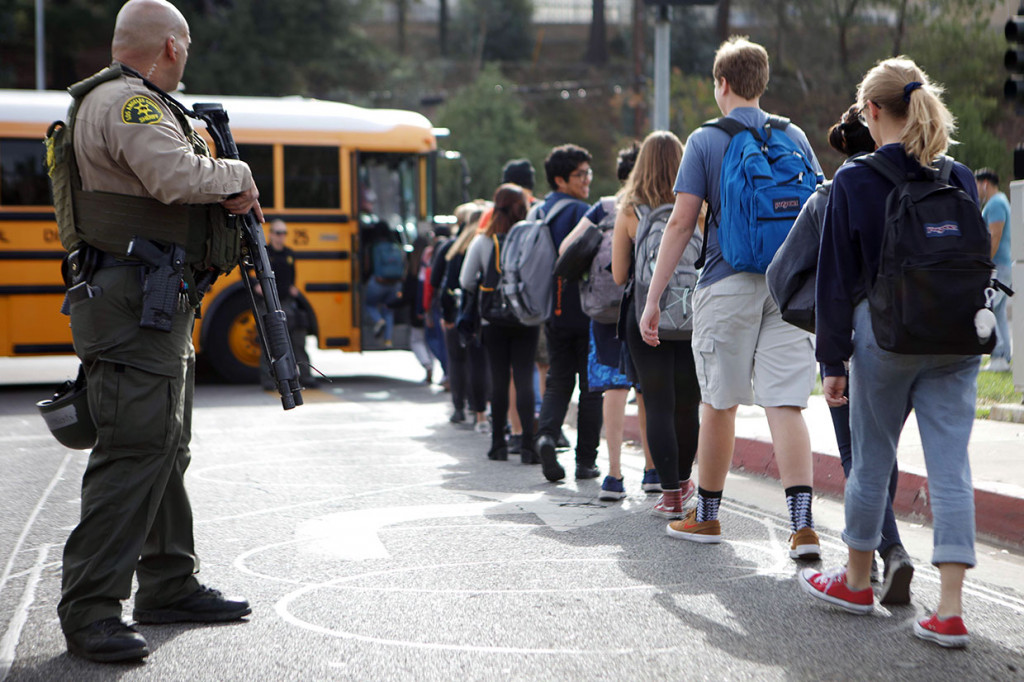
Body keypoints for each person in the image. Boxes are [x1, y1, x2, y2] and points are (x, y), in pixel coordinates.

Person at [54, 0, 257, 663]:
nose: (186, 55)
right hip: (133, 302)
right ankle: (91, 610)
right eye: (187, 45)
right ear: (171, 45)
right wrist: (238, 174)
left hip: (153, 301)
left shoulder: (126, 100)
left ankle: (169, 583)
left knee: (165, 447)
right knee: (134, 451)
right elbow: (174, 176)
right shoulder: (131, 103)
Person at [800, 57, 982, 649]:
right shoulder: (956, 175)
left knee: (872, 459)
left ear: (872, 111)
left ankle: (856, 582)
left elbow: (834, 279)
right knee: (951, 467)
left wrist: (832, 362)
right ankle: (949, 611)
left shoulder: (854, 178)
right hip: (956, 338)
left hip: (884, 337)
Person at [639, 37, 824, 559]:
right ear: (762, 82)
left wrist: (653, 298)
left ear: (721, 83)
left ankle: (707, 516)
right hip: (789, 286)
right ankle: (803, 527)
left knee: (719, 404)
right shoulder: (794, 136)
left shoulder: (705, 140)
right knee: (785, 403)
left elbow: (681, 224)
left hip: (726, 282)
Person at [769, 106, 915, 601]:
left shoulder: (828, 196)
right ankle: (870, 555)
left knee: (859, 454)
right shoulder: (921, 183)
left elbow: (780, 275)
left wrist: (821, 328)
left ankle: (888, 551)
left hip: (851, 342)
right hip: (915, 337)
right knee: (883, 450)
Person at [560, 142, 661, 499]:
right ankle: (652, 470)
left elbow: (567, 249)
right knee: (645, 388)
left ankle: (614, 475)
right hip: (648, 308)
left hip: (605, 311)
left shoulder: (604, 207)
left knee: (613, 389)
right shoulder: (662, 207)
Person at [612, 131, 702, 515]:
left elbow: (619, 275)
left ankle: (670, 496)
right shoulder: (701, 207)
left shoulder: (630, 211)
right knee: (689, 404)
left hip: (646, 317)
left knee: (658, 403)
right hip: (694, 314)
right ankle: (684, 481)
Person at [533, 144, 604, 482]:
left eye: (588, 172)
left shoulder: (538, 212)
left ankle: (546, 436)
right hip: (583, 309)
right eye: (580, 174)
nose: (587, 179)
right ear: (560, 179)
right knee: (591, 386)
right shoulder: (581, 212)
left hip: (552, 309)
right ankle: (585, 461)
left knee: (558, 380)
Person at [459, 184, 539, 462]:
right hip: (526, 316)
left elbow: (466, 281)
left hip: (492, 319)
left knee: (499, 378)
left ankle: (498, 445)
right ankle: (528, 446)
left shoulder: (483, 241)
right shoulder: (531, 238)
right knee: (524, 377)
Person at [433, 203, 489, 428]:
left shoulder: (453, 248)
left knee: (457, 361)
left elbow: (441, 283)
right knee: (479, 362)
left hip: (457, 311)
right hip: (480, 313)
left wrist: (446, 315)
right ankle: (479, 409)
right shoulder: (487, 243)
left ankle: (459, 407)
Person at [257, 219, 313, 389]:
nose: (281, 236)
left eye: (284, 233)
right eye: (278, 232)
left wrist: (292, 288)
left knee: (297, 339)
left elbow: (291, 276)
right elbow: (248, 271)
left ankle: (303, 376)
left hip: (286, 301)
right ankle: (269, 380)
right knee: (269, 342)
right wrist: (255, 285)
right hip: (268, 302)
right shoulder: (263, 253)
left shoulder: (289, 254)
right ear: (271, 234)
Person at [975, 168, 1013, 372]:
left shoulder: (996, 203)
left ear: (985, 184)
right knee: (998, 313)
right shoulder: (1000, 201)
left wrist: (985, 263)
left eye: (976, 185)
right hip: (1003, 265)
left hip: (997, 266)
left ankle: (998, 356)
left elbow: (995, 235)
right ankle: (1003, 357)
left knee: (989, 309)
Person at [362, 220, 405, 347]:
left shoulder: (374, 246)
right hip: (395, 283)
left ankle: (378, 320)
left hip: (378, 282)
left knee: (370, 305)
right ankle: (388, 340)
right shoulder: (396, 245)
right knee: (388, 309)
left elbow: (368, 265)